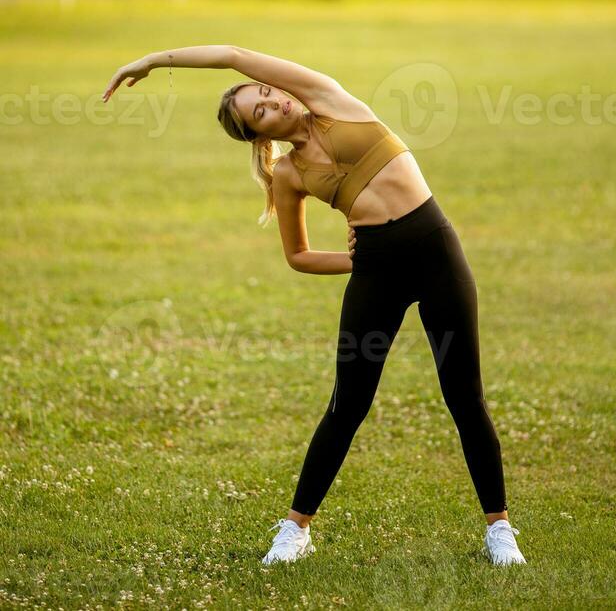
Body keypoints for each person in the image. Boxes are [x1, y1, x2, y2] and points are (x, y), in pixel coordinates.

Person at [102, 43, 527, 568]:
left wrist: (153, 61)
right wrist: (360, 262)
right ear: (260, 135)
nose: (271, 102)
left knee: (465, 396)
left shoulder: (329, 98)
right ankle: (296, 529)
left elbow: (233, 53)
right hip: (376, 273)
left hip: (438, 252)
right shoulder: (290, 175)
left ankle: (499, 530)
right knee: (347, 404)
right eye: (259, 111)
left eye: (265, 93)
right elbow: (298, 256)